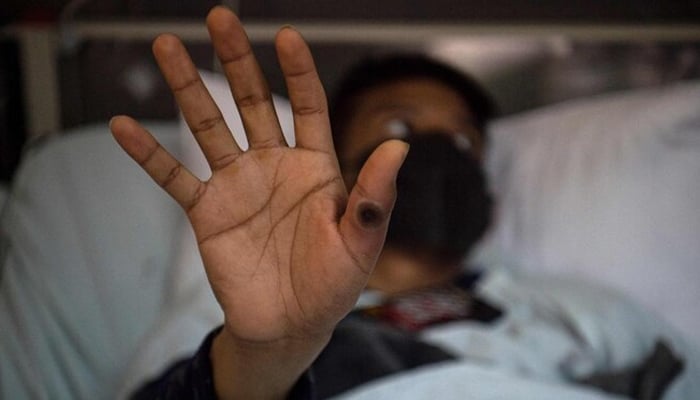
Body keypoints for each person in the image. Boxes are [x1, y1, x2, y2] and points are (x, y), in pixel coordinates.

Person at [111, 6, 692, 400]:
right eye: (398, 125)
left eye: (464, 140)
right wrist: (268, 357)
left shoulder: (574, 309)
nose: (439, 150)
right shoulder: (235, 316)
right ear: (335, 166)